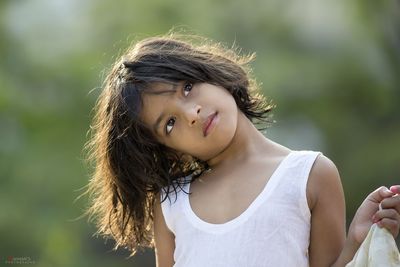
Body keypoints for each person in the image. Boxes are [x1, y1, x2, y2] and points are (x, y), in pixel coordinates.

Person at [84, 33, 400, 267]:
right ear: (166, 149)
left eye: (187, 87)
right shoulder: (171, 208)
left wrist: (357, 242)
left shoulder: (310, 175)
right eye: (169, 123)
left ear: (208, 72)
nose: (191, 113)